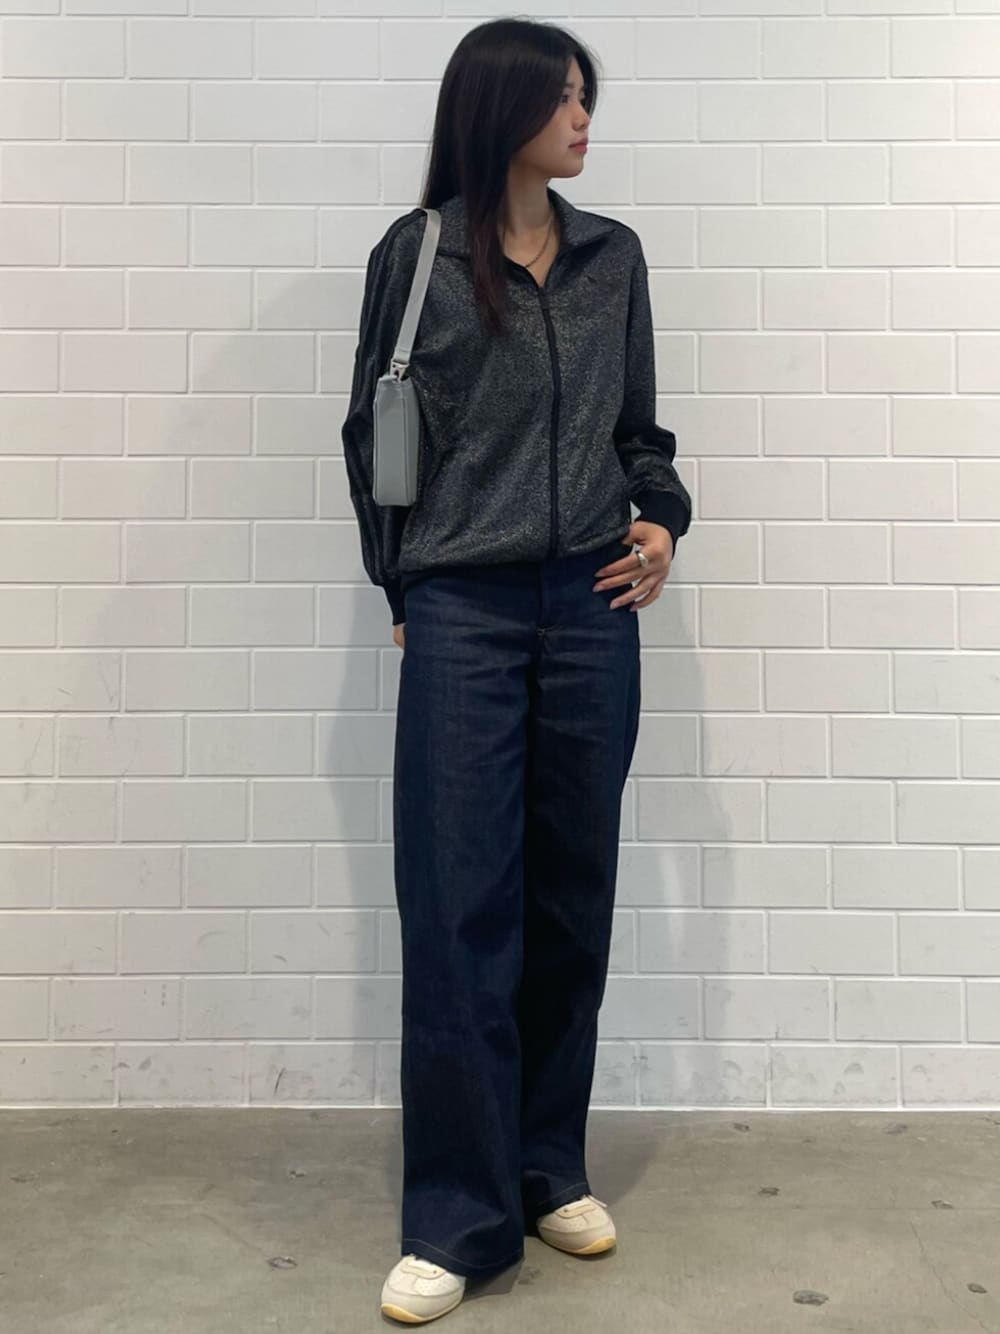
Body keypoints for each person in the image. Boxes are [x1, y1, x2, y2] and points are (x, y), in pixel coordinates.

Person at [341, 16, 693, 1325]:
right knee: (457, 906)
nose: (584, 119)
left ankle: (548, 1168)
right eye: (563, 97)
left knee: (568, 894)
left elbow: (638, 431)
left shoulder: (613, 258)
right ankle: (455, 1214)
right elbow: (372, 432)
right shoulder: (418, 254)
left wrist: (661, 519)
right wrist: (405, 583)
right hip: (466, 611)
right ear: (500, 110)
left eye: (588, 96)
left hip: (592, 607)